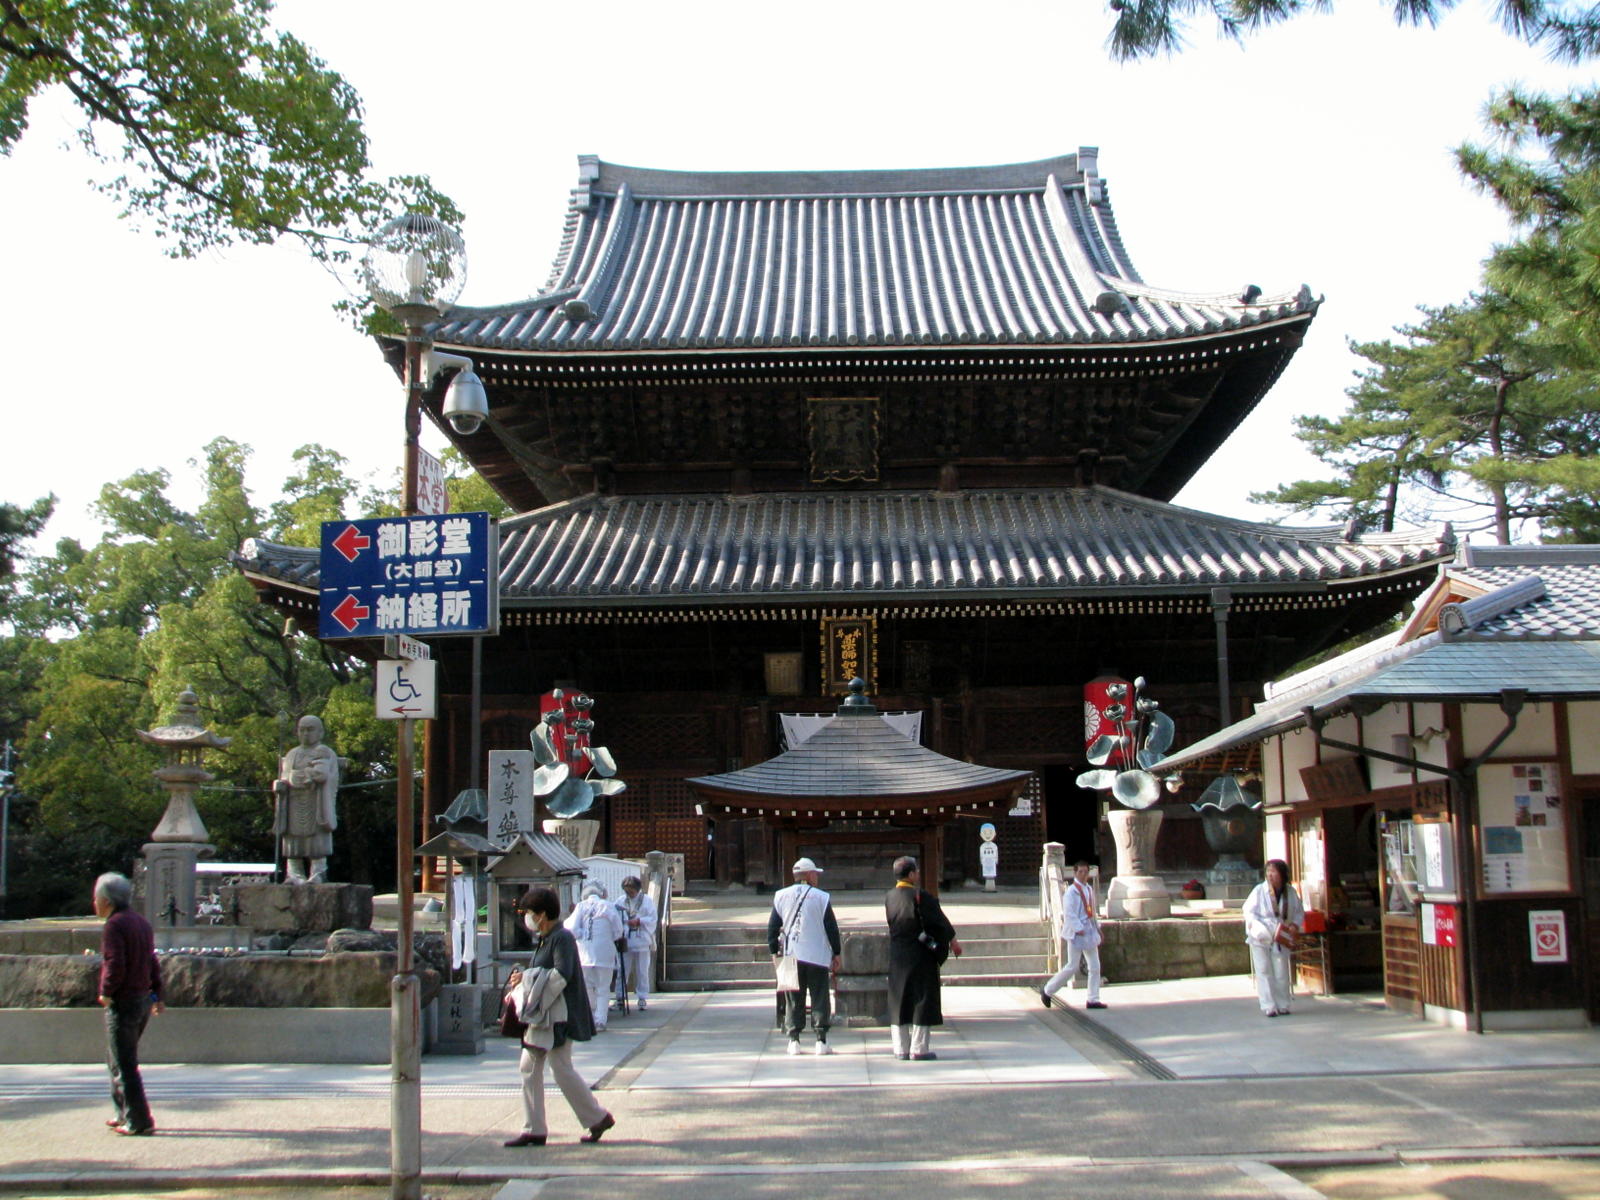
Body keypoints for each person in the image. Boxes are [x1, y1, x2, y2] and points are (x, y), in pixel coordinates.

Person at [503, 886, 616, 1147]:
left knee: (556, 1068)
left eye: (530, 912)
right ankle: (543, 1126)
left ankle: (589, 1118)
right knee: (538, 1067)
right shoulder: (549, 938)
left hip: (556, 1016)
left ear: (542, 914)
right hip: (546, 1015)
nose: (527, 918)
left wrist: (527, 978)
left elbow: (561, 974)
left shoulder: (561, 938)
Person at [94, 871, 162, 1136]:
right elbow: (151, 960)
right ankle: (123, 1112)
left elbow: (115, 962)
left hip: (124, 1001)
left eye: (96, 899)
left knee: (124, 1064)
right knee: (116, 1060)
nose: (94, 904)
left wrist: (106, 991)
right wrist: (158, 994)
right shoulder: (141, 922)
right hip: (142, 1000)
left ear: (107, 901)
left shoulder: (115, 925)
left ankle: (139, 1120)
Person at [767, 856, 842, 1057]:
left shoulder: (781, 896)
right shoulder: (821, 897)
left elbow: (773, 927)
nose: (817, 877)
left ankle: (794, 1040)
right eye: (815, 874)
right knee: (820, 996)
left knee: (793, 998)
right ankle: (821, 1040)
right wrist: (836, 952)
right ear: (809, 875)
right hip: (817, 954)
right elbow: (831, 928)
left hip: (790, 953)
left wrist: (774, 951)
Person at [884, 855, 957, 1061]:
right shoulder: (921, 896)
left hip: (898, 954)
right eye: (915, 871)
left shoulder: (889, 897)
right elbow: (938, 923)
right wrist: (948, 942)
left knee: (899, 1000)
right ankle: (919, 1048)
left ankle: (900, 1048)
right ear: (910, 874)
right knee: (921, 1000)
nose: (917, 874)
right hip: (920, 954)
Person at [272, 714, 339, 884]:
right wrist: (279, 785)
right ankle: (294, 873)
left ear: (320, 732)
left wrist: (313, 776)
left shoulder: (324, 752)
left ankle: (318, 871)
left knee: (317, 837)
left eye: (310, 729)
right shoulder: (292, 754)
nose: (305, 734)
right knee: (292, 838)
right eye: (302, 730)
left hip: (316, 800)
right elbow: (284, 776)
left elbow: (328, 777)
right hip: (293, 801)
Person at [1040, 860, 1107, 1010]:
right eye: (1080, 872)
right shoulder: (1071, 892)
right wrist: (1079, 929)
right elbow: (1069, 914)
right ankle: (1048, 990)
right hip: (1077, 933)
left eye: (1085, 872)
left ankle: (1093, 999)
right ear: (1075, 873)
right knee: (1072, 966)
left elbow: (1092, 912)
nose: (1083, 875)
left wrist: (1097, 928)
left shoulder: (1088, 889)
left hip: (1089, 931)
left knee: (1095, 966)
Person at [1243, 858, 1305, 1018]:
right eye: (1268, 871)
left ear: (1282, 874)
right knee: (1263, 969)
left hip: (1281, 933)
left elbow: (1299, 912)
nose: (1270, 875)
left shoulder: (1290, 892)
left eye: (1274, 871)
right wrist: (1255, 927)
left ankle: (1283, 1004)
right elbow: (1248, 911)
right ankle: (1268, 1005)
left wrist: (1295, 925)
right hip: (1261, 934)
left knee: (1281, 970)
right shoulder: (1259, 890)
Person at [564, 881, 624, 1032]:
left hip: (584, 954)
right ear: (600, 894)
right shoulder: (608, 906)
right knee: (603, 988)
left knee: (587, 987)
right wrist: (609, 937)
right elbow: (619, 930)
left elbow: (570, 928)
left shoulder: (580, 906)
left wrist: (582, 935)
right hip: (605, 953)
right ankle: (600, 1021)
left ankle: (590, 1017)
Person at [615, 875, 657, 1012]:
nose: (629, 894)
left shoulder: (647, 901)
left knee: (642, 970)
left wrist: (640, 921)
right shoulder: (620, 901)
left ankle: (642, 996)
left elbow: (652, 918)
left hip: (641, 937)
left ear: (637, 890)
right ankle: (620, 996)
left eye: (631, 891)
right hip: (626, 939)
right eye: (627, 891)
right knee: (623, 969)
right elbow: (615, 918)